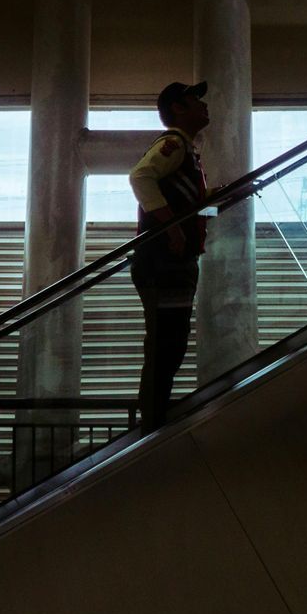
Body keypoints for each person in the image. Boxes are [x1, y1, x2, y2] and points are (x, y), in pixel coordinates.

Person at [128, 81, 210, 430]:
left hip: (172, 265)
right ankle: (152, 427)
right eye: (195, 101)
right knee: (165, 347)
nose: (204, 107)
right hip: (163, 263)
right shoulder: (173, 144)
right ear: (178, 108)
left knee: (171, 346)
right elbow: (140, 177)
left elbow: (183, 199)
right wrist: (172, 228)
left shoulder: (187, 151)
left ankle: (155, 420)